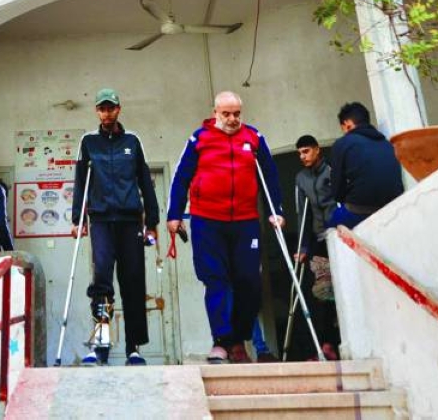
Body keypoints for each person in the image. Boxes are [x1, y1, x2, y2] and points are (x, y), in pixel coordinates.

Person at [167, 91, 285, 365]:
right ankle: (221, 343)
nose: (232, 119)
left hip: (245, 220)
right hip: (207, 220)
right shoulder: (200, 139)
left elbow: (271, 176)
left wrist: (276, 211)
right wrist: (174, 214)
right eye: (226, 114)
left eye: (237, 114)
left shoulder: (254, 138)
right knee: (216, 280)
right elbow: (181, 177)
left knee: (249, 282)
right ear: (216, 113)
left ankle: (239, 337)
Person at [71, 88, 160, 366]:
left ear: (118, 109)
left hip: (130, 220)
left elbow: (145, 181)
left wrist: (153, 222)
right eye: (101, 108)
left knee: (132, 281)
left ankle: (134, 348)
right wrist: (77, 220)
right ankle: (101, 346)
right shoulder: (88, 142)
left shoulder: (133, 141)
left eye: (110, 108)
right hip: (100, 220)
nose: (106, 113)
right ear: (97, 111)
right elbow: (79, 183)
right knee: (102, 282)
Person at [291, 134, 340, 359]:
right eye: (300, 152)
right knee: (322, 293)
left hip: (338, 235)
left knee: (341, 291)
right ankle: (324, 345)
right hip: (318, 239)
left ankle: (335, 342)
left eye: (306, 151)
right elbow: (302, 213)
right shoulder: (301, 178)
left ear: (317, 149)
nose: (302, 156)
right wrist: (302, 247)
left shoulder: (331, 170)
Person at [328, 102, 404, 228]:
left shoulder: (342, 143)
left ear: (347, 124)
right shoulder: (388, 144)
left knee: (330, 227)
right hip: (393, 209)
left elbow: (337, 192)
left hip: (359, 211)